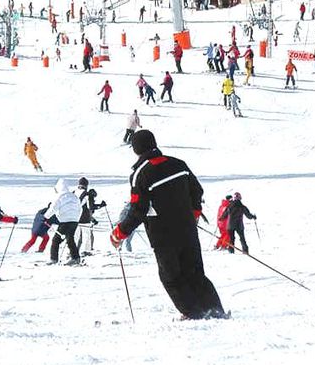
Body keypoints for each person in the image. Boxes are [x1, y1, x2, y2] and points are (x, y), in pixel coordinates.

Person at [110, 130, 225, 320]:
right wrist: (194, 213)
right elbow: (196, 190)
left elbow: (138, 208)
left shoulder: (141, 174)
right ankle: (215, 310)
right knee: (195, 272)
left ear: (136, 150)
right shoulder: (178, 164)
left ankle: (192, 313)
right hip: (188, 229)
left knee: (172, 277)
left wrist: (120, 232)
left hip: (163, 235)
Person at [46, 179, 82, 264]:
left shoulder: (60, 196)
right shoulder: (74, 196)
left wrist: (46, 217)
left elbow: (53, 208)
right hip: (74, 221)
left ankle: (54, 259)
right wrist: (77, 218)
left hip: (64, 221)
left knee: (56, 239)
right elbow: (80, 208)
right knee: (70, 239)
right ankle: (75, 258)